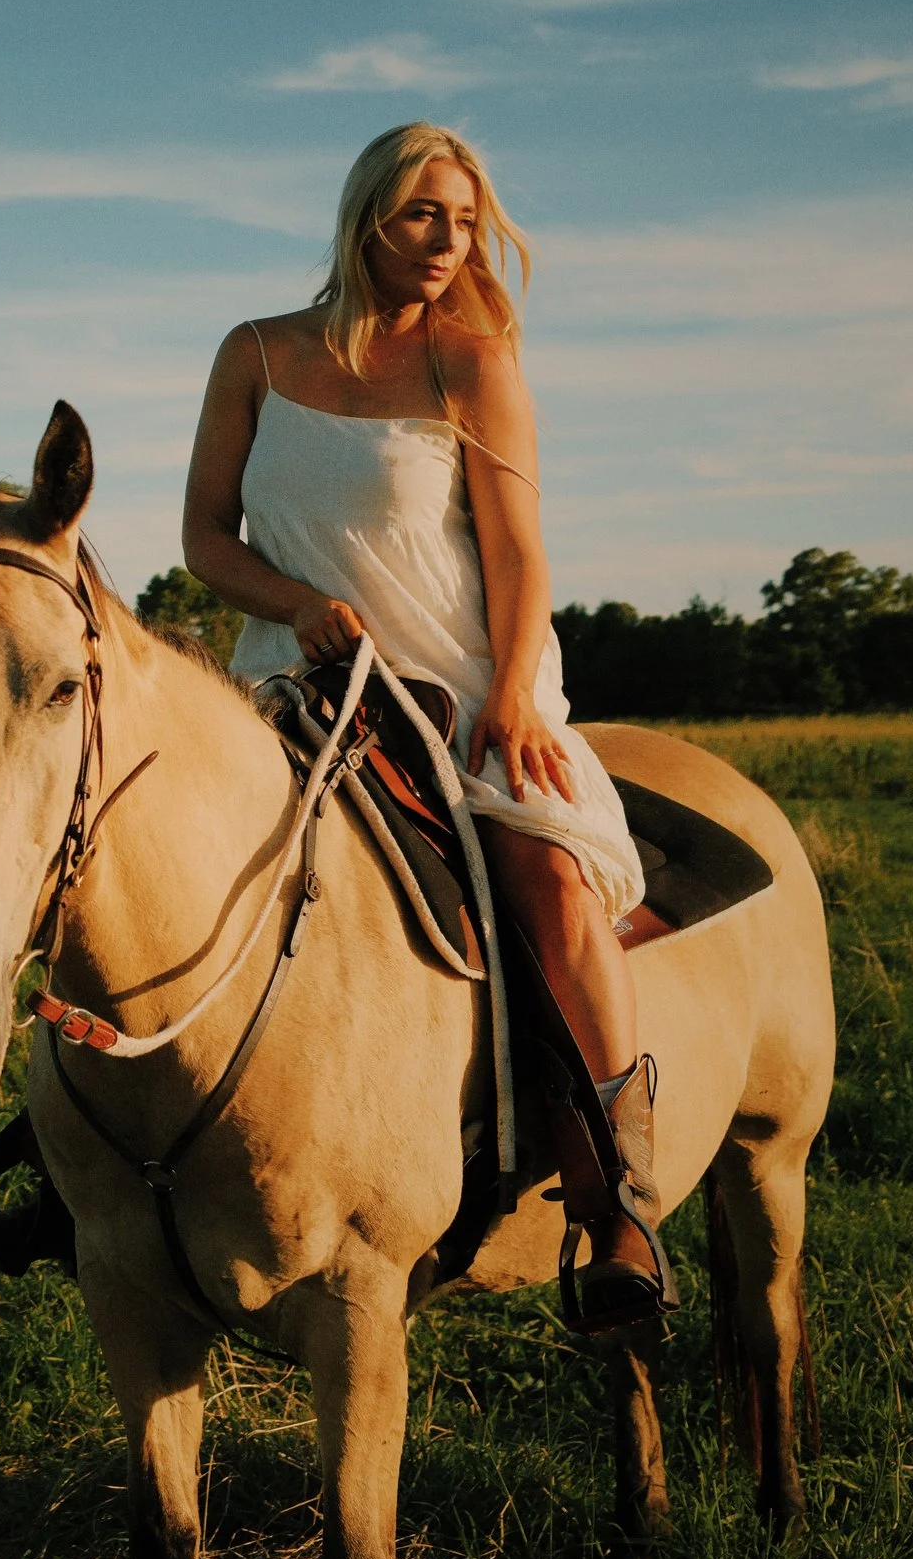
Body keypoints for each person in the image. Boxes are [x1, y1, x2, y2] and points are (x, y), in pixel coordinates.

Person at [181, 121, 671, 1332]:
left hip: (458, 682)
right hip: (294, 687)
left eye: (464, 219)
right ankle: (81, 1171)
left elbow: (516, 553)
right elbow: (202, 538)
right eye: (422, 216)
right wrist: (295, 605)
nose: (448, 241)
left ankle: (621, 1203)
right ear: (365, 219)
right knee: (148, 872)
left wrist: (513, 689)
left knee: (552, 885)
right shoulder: (253, 353)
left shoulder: (474, 361)